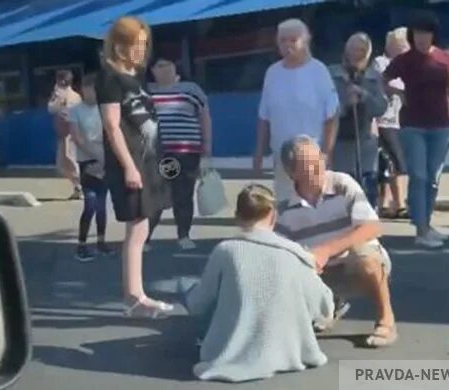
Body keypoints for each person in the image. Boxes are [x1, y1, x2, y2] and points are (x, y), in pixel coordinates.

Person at [180, 184, 334, 382]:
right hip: (287, 350)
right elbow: (324, 307)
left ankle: (218, 338)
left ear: (237, 215)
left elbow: (198, 303)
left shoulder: (226, 250)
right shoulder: (295, 253)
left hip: (229, 350)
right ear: (273, 215)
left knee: (187, 285)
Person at [276, 135, 397, 348]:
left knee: (366, 259)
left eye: (320, 160)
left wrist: (326, 250)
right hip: (319, 272)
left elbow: (372, 226)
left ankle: (386, 319)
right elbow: (280, 251)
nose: (320, 168)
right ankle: (330, 304)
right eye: (310, 166)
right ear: (292, 173)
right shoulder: (284, 207)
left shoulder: (341, 183)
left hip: (351, 261)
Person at [95, 16, 173, 318]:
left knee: (143, 226)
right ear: (119, 46)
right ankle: (134, 297)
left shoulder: (132, 78)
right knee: (137, 228)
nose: (142, 51)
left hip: (149, 162)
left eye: (144, 44)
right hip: (131, 165)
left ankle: (136, 294)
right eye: (136, 45)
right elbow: (112, 127)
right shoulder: (109, 78)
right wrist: (129, 167)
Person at [383, 12, 449, 248]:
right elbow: (384, 78)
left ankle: (426, 224)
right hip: (412, 126)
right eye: (417, 33)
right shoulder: (404, 60)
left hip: (441, 127)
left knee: (433, 179)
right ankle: (420, 230)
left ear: (433, 35)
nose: (421, 38)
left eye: (425, 33)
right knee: (418, 176)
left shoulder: (446, 60)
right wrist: (398, 94)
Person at [253, 18, 339, 203]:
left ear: (305, 41)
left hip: (311, 154)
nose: (287, 45)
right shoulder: (272, 73)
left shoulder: (318, 71)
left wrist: (326, 152)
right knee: (285, 203)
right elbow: (264, 116)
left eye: (293, 40)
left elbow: (332, 115)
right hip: (281, 155)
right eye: (283, 40)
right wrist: (259, 152)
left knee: (312, 202)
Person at [145, 55, 213, 251]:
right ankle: (145, 237)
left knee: (183, 194)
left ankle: (183, 235)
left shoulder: (191, 89)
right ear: (153, 71)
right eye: (159, 64)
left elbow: (205, 117)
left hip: (186, 152)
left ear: (176, 68)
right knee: (156, 195)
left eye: (168, 63)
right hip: (158, 154)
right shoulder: (147, 92)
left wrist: (207, 147)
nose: (164, 68)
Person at [330, 32, 388, 208]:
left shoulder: (373, 77)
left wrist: (364, 95)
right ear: (346, 51)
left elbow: (381, 107)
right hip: (339, 142)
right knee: (342, 191)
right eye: (354, 49)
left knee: (368, 191)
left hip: (365, 143)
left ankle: (367, 227)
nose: (357, 53)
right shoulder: (331, 74)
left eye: (362, 50)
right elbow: (322, 108)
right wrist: (345, 103)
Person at [67, 73, 114, 261]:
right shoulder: (75, 110)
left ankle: (101, 242)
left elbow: (112, 133)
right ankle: (82, 245)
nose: (91, 93)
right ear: (82, 90)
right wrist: (97, 156)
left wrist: (106, 158)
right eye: (87, 89)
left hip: (105, 159)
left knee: (102, 204)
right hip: (87, 160)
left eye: (94, 89)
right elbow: (76, 138)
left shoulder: (105, 109)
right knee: (90, 203)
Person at [373, 27, 410, 219]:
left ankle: (386, 203)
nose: (405, 49)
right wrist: (400, 93)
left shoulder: (408, 65)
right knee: (398, 161)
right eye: (402, 45)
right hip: (384, 120)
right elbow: (383, 85)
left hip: (400, 121)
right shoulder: (381, 63)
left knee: (389, 163)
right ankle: (400, 204)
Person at [48, 70, 83, 200]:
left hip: (70, 133)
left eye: (58, 80)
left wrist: (58, 98)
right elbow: (52, 109)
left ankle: (82, 186)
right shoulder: (67, 95)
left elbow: (53, 109)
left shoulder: (71, 96)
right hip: (64, 133)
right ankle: (78, 187)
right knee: (62, 164)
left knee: (70, 161)